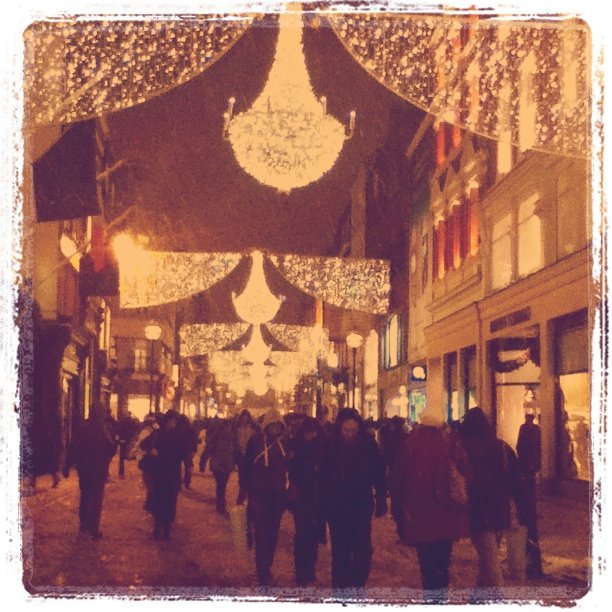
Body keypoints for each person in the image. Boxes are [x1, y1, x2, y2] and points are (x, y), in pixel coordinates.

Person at [390, 404, 469, 601]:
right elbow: (465, 470)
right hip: (446, 511)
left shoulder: (409, 444)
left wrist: (398, 509)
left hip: (419, 513)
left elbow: (398, 479)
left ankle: (430, 596)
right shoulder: (450, 443)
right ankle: (440, 597)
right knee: (442, 559)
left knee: (426, 560)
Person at [460, 407, 528, 594]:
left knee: (488, 555)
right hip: (499, 508)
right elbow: (516, 481)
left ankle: (495, 594)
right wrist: (521, 508)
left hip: (476, 508)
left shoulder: (464, 448)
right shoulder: (503, 448)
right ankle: (482, 589)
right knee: (490, 551)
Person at [320, 408, 387, 590]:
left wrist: (381, 498)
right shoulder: (330, 445)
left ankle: (357, 582)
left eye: (353, 430)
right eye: (346, 430)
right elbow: (321, 477)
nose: (350, 434)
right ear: (339, 427)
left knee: (362, 549)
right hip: (336, 506)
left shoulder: (368, 444)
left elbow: (378, 472)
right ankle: (341, 588)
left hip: (360, 504)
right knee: (340, 550)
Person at [237, 408, 288, 587]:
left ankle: (267, 565)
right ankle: (262, 570)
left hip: (277, 495)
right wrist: (243, 488)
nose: (275, 430)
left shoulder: (285, 444)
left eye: (278, 426)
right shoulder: (256, 441)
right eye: (272, 426)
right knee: (261, 532)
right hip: (258, 494)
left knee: (272, 533)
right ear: (267, 426)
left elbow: (290, 468)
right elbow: (245, 465)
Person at [63, 405, 117, 540]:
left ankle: (84, 524)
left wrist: (67, 465)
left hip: (85, 469)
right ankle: (94, 527)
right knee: (96, 498)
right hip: (98, 470)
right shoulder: (104, 430)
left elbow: (73, 447)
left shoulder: (82, 427)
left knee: (85, 496)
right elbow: (111, 449)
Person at [287, 417, 325, 586]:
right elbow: (291, 470)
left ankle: (310, 568)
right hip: (302, 496)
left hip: (317, 496)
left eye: (313, 433)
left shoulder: (322, 448)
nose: (310, 436)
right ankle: (301, 570)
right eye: (307, 433)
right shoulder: (295, 447)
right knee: (302, 533)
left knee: (314, 534)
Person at [141, 409, 189, 540]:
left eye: (175, 420)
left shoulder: (179, 435)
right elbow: (144, 444)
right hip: (160, 472)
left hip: (172, 473)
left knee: (170, 501)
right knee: (159, 499)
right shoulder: (158, 433)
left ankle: (167, 527)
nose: (173, 423)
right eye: (171, 420)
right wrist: (152, 451)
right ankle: (158, 525)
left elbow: (184, 453)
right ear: (167, 420)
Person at [516, 412, 544, 578]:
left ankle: (532, 561)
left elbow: (533, 447)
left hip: (529, 464)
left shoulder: (534, 430)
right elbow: (522, 445)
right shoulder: (529, 429)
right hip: (528, 464)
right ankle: (532, 561)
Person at [208, 418, 236, 517]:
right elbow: (212, 450)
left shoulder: (232, 438)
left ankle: (220, 504)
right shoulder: (219, 438)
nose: (228, 429)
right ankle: (221, 505)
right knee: (221, 485)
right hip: (219, 464)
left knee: (221, 485)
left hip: (226, 464)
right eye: (227, 427)